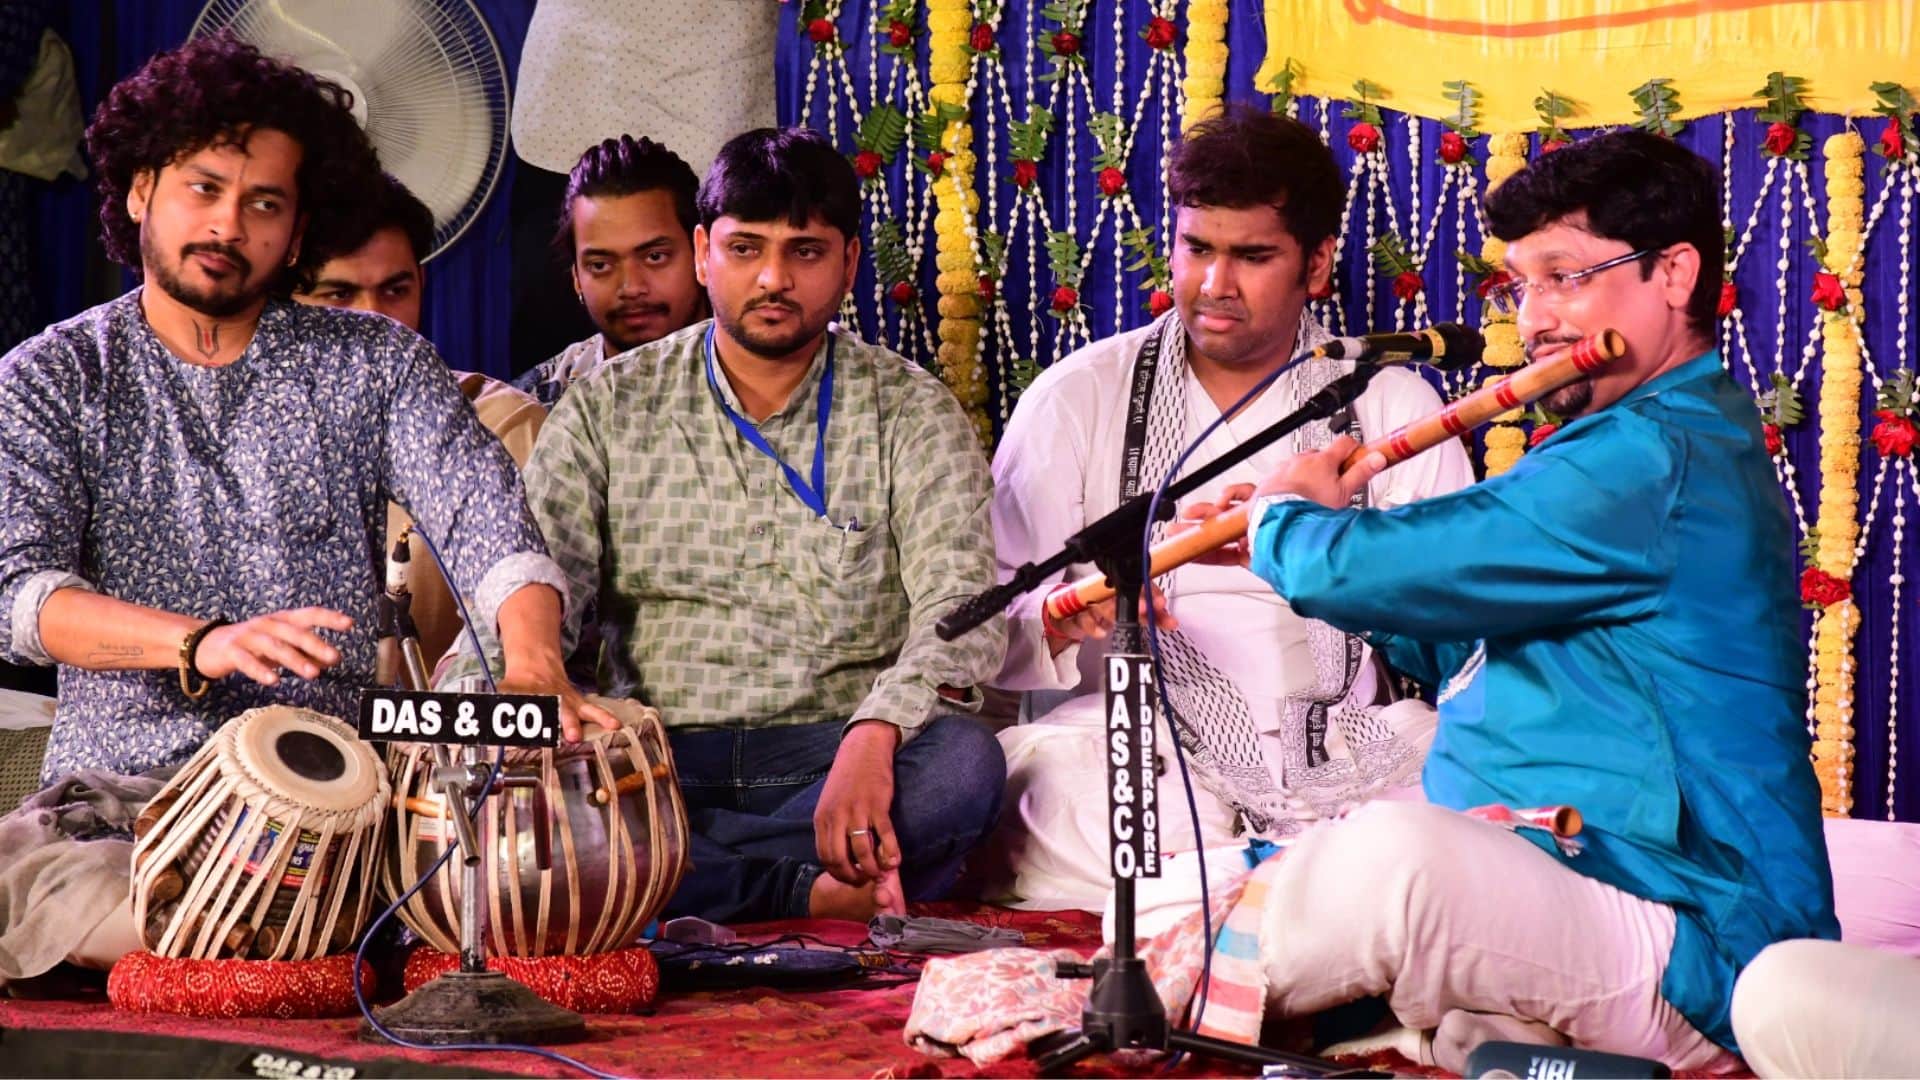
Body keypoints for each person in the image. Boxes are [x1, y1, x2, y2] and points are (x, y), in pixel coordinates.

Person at [1195, 130, 1835, 1071]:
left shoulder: (1653, 455)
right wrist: (1280, 548)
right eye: (1518, 285)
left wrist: (1286, 524)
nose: (1534, 319)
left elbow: (1379, 567)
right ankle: (1490, 1031)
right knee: (1217, 874)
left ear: (1674, 275)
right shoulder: (1623, 443)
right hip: (1579, 877)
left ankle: (1111, 996)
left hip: (1686, 925)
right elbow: (1452, 635)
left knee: (1392, 860)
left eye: (1566, 277)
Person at [0, 32, 606, 792]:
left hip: (339, 794)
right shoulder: (53, 376)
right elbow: (19, 599)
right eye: (203, 187)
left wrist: (534, 665)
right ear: (139, 190)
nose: (228, 225)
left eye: (264, 204)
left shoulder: (374, 361)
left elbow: (482, 515)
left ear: (294, 239)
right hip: (120, 802)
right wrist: (200, 645)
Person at [448, 127, 1007, 924]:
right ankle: (796, 887)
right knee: (522, 790)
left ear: (850, 263)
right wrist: (491, 703)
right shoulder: (611, 407)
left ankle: (678, 876)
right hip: (648, 759)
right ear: (705, 251)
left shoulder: (910, 410)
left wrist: (876, 733)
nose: (773, 278)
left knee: (961, 766)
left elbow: (964, 613)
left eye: (805, 253)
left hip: (831, 751)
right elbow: (526, 585)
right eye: (746, 249)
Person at [985, 106, 1472, 910]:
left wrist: (1340, 557)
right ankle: (1312, 902)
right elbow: (988, 632)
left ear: (1316, 265)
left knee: (1468, 802)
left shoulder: (1390, 402)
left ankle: (1235, 899)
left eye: (1251, 256)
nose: (1214, 285)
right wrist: (1069, 615)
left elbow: (1458, 618)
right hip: (1139, 742)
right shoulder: (1080, 396)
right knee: (1050, 800)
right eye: (1197, 249)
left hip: (1355, 746)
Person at [292, 171, 548, 667]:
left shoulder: (502, 423)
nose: (377, 322)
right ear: (285, 306)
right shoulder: (248, 435)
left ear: (423, 283)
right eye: (338, 296)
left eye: (395, 290)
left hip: (446, 735)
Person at [513, 134, 707, 407]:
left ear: (703, 253)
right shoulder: (534, 407)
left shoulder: (762, 385)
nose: (631, 288)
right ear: (576, 279)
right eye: (601, 265)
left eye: (654, 257)